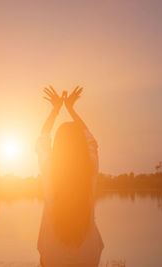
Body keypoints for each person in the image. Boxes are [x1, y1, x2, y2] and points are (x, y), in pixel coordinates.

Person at [36, 86, 104, 267]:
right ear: (81, 146)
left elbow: (42, 139)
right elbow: (91, 141)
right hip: (88, 256)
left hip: (52, 257)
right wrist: (71, 109)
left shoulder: (50, 168)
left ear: (58, 147)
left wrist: (56, 110)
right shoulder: (90, 169)